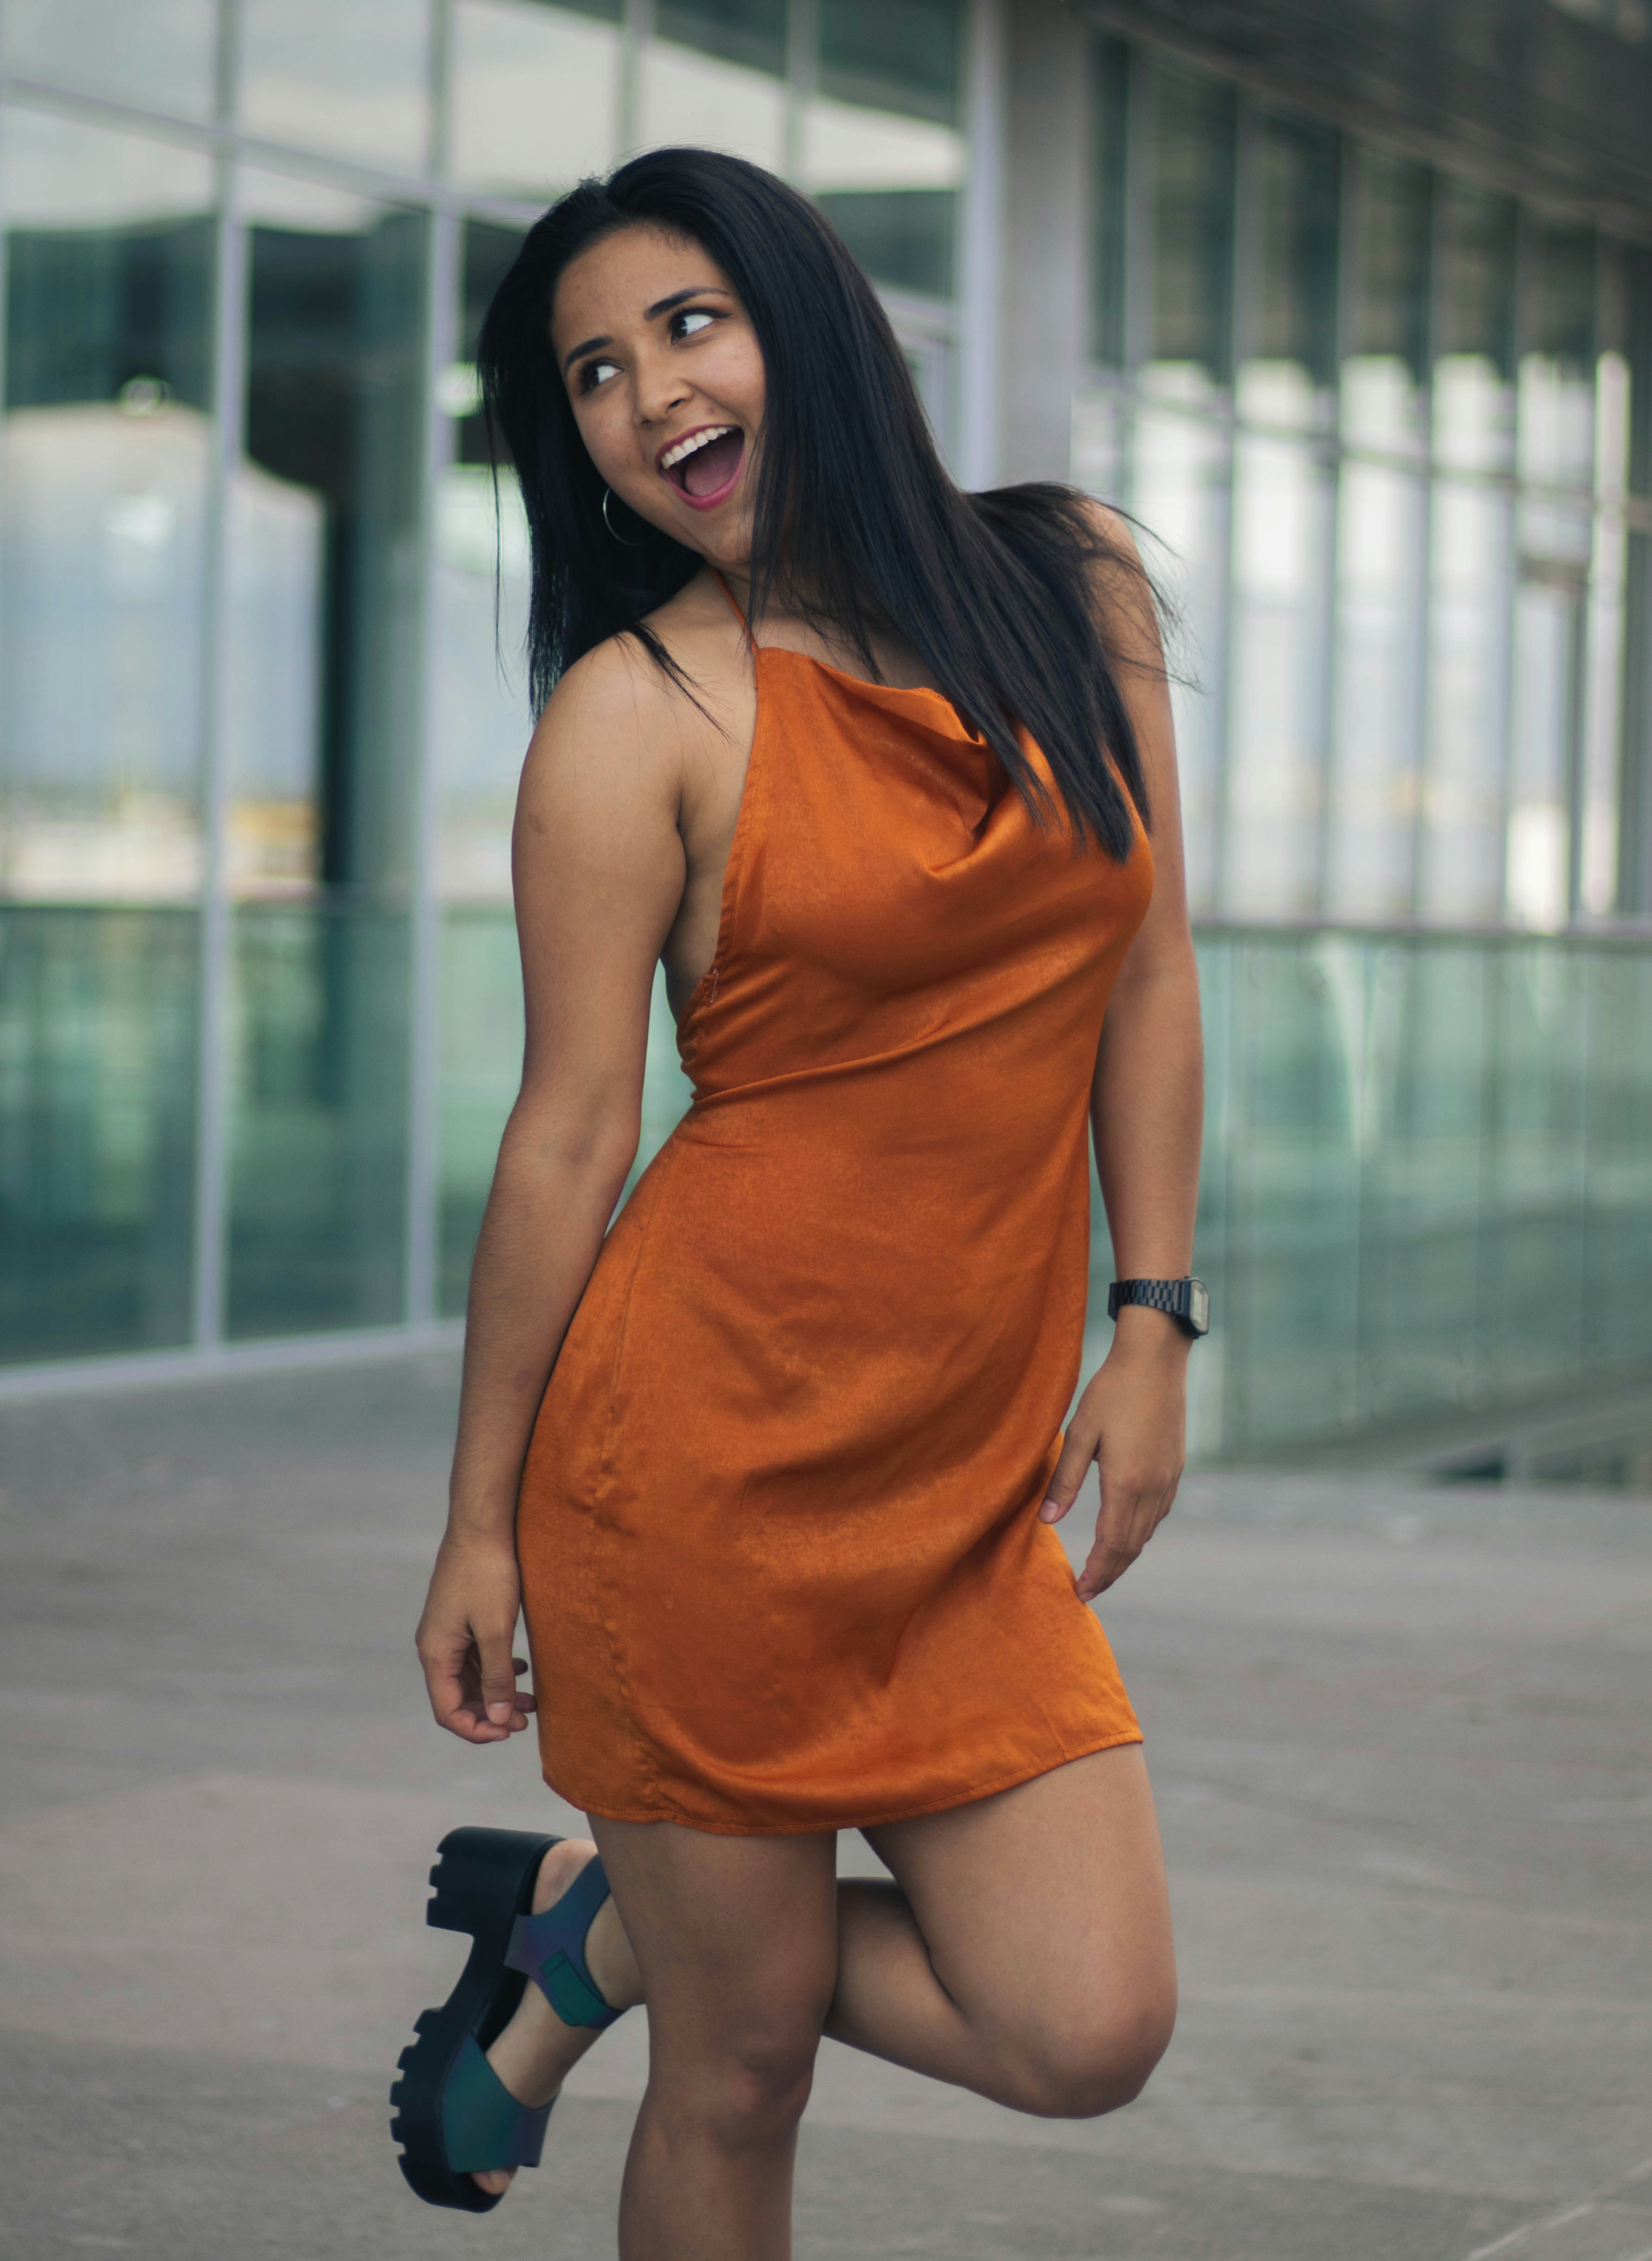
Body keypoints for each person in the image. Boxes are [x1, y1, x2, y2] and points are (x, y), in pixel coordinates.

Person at [396, 149, 1205, 2256]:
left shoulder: (1072, 585)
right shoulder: (635, 715)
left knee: (1087, 2025)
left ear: (809, 323)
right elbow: (568, 1138)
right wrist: (480, 1521)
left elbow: (1146, 968)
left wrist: (1155, 1318)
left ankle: (597, 1929)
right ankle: (649, 1939)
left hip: (966, 1481)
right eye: (591, 373)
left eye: (689, 324)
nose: (648, 393)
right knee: (739, 2068)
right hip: (699, 1475)